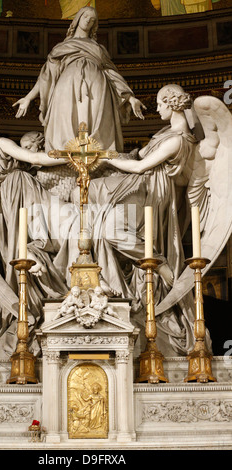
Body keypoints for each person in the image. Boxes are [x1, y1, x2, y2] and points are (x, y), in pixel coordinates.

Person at [84, 84, 207, 355]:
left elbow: (141, 166)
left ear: (172, 103)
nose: (158, 109)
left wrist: (107, 156)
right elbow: (138, 156)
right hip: (138, 186)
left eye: (161, 104)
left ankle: (158, 261)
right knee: (91, 205)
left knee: (111, 230)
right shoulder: (165, 133)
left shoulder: (178, 138)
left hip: (151, 190)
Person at [0, 114, 70, 357]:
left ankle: (28, 279)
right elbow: (32, 157)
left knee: (15, 245)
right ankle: (41, 258)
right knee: (55, 227)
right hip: (20, 188)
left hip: (3, 207)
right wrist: (67, 155)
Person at [13, 6, 146, 153]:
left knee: (97, 122)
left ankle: (98, 157)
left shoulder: (99, 48)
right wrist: (28, 98)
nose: (88, 21)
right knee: (65, 121)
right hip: (66, 85)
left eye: (93, 19)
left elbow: (111, 74)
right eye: (85, 16)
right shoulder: (62, 47)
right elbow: (46, 77)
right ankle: (64, 155)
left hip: (97, 86)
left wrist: (130, 98)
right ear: (77, 19)